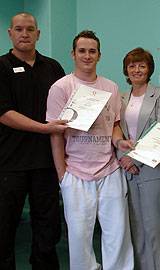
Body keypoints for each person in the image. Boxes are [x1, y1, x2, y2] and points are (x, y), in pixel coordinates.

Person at [46, 30, 134, 270]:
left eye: (92, 51)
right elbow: (55, 133)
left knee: (117, 233)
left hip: (109, 170)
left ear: (99, 55)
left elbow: (114, 126)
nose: (87, 56)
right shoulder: (60, 88)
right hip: (75, 172)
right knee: (79, 236)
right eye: (82, 51)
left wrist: (119, 143)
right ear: (73, 54)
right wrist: (62, 174)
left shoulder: (112, 87)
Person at [0, 12, 67, 270]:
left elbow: (67, 108)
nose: (24, 34)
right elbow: (4, 113)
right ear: (10, 33)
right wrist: (43, 128)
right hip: (10, 163)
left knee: (47, 228)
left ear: (38, 34)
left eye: (30, 29)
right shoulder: (1, 67)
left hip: (46, 163)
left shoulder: (53, 67)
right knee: (5, 227)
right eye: (19, 29)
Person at [118, 47, 160, 270]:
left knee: (154, 228)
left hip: (153, 170)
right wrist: (124, 158)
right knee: (135, 227)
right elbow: (113, 130)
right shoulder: (119, 97)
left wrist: (135, 159)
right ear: (126, 70)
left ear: (149, 69)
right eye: (132, 65)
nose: (136, 69)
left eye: (142, 65)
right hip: (125, 170)